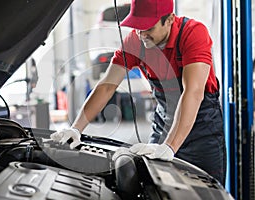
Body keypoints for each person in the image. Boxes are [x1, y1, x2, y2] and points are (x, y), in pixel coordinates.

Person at [50, 0, 226, 185]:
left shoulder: (193, 33)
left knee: (206, 189)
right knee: (154, 185)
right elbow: (107, 86)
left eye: (148, 27)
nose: (142, 34)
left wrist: (169, 146)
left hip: (202, 130)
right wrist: (76, 128)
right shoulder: (135, 40)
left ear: (170, 20)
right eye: (137, 27)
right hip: (164, 125)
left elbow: (193, 92)